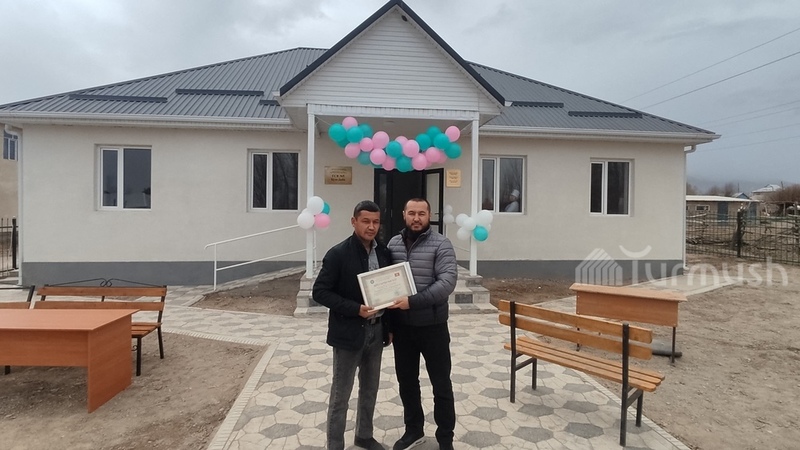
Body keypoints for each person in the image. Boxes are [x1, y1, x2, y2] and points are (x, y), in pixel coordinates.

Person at [312, 200, 393, 450]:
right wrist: (355, 309)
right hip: (348, 333)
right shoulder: (338, 254)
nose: (371, 227)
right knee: (341, 395)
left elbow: (389, 292)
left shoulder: (384, 253)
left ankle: (364, 436)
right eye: (365, 221)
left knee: (370, 389)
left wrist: (389, 327)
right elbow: (320, 292)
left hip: (376, 331)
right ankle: (335, 444)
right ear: (354, 222)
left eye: (376, 222)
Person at [386, 198, 458, 450]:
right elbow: (384, 283)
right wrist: (389, 326)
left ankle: (445, 438)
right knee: (407, 383)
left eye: (421, 213)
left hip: (433, 327)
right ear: (404, 214)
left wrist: (412, 302)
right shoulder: (393, 244)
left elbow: (446, 283)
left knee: (441, 384)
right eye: (412, 213)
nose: (416, 218)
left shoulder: (442, 244)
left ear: (429, 215)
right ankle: (413, 430)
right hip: (403, 329)